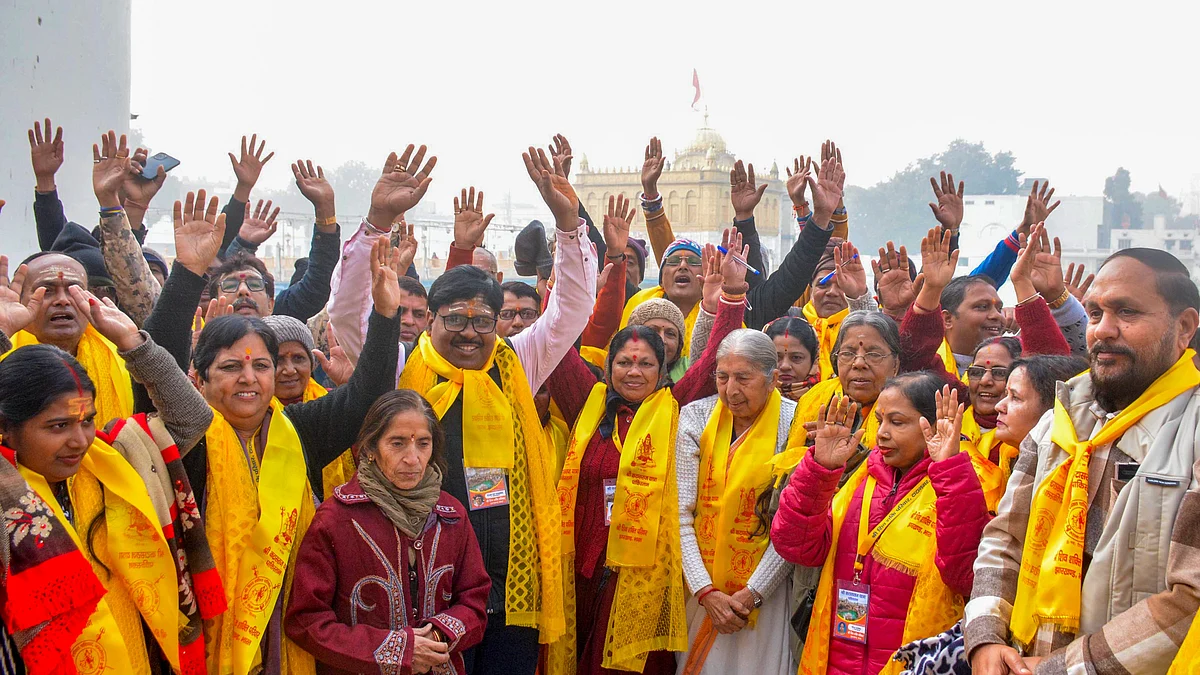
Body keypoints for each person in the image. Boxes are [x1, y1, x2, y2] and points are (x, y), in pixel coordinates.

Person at [137, 188, 405, 673]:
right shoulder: (184, 434)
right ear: (198, 378)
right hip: (202, 625)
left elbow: (365, 399)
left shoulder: (294, 431)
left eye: (262, 365)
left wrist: (386, 317)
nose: (249, 378)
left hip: (287, 624)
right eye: (231, 367)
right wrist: (186, 275)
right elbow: (153, 371)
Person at [396, 146, 597, 675]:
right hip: (429, 583)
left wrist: (568, 224)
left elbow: (572, 309)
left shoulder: (515, 363)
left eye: (483, 320)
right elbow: (351, 318)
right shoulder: (402, 370)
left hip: (511, 586)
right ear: (430, 321)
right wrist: (373, 225)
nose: (469, 332)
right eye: (455, 320)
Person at [966, 247, 1200, 675]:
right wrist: (984, 636)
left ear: (1183, 327)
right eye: (1093, 314)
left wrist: (1060, 668)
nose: (1103, 331)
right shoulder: (1063, 419)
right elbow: (1004, 538)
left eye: (1126, 312)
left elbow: (1190, 600)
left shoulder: (1193, 432)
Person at [0, 271, 224, 675]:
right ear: (7, 427)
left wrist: (133, 343)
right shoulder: (5, 495)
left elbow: (192, 418)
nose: (79, 440)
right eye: (57, 426)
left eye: (86, 421)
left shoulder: (115, 459)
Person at [544, 238, 749, 675]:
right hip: (580, 562)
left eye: (645, 364)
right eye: (624, 362)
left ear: (662, 370)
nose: (634, 371)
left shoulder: (676, 407)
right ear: (609, 367)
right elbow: (557, 350)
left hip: (643, 573)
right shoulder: (589, 402)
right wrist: (559, 285)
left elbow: (712, 357)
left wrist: (730, 298)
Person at [773, 374, 989, 675]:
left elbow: (963, 576)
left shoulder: (968, 477)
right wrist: (820, 469)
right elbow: (795, 547)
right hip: (838, 657)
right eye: (879, 420)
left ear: (936, 424)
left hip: (913, 662)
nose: (881, 434)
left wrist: (948, 469)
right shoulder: (864, 475)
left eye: (897, 422)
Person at [286, 390, 490, 674]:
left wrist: (438, 636)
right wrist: (396, 649)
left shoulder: (450, 514)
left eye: (423, 443)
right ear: (369, 448)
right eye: (397, 443)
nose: (413, 458)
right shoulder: (336, 520)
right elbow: (307, 619)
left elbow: (475, 599)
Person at [675, 330, 801, 674]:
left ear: (773, 379)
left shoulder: (795, 422)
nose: (731, 390)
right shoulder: (695, 417)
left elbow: (793, 523)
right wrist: (706, 592)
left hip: (769, 593)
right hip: (702, 588)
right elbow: (680, 513)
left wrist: (753, 594)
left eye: (744, 378)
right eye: (722, 376)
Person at [634, 139, 845, 330]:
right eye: (673, 261)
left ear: (706, 275)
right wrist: (650, 193)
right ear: (661, 278)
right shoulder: (643, 318)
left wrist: (820, 216)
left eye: (691, 260)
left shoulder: (738, 317)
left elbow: (792, 275)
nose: (682, 266)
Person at [206, 158, 342, 323]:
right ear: (213, 304)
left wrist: (325, 211)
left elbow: (317, 283)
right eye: (229, 286)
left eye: (255, 284)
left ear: (271, 304)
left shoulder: (282, 334)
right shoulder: (195, 344)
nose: (243, 291)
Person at [802, 240, 875, 382]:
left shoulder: (862, 325)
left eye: (841, 285)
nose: (832, 292)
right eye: (823, 284)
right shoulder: (790, 323)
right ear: (811, 289)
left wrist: (858, 296)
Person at [763, 316, 821, 402]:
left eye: (796, 357)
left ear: (813, 360)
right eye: (776, 357)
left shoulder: (829, 400)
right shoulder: (748, 400)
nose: (785, 366)